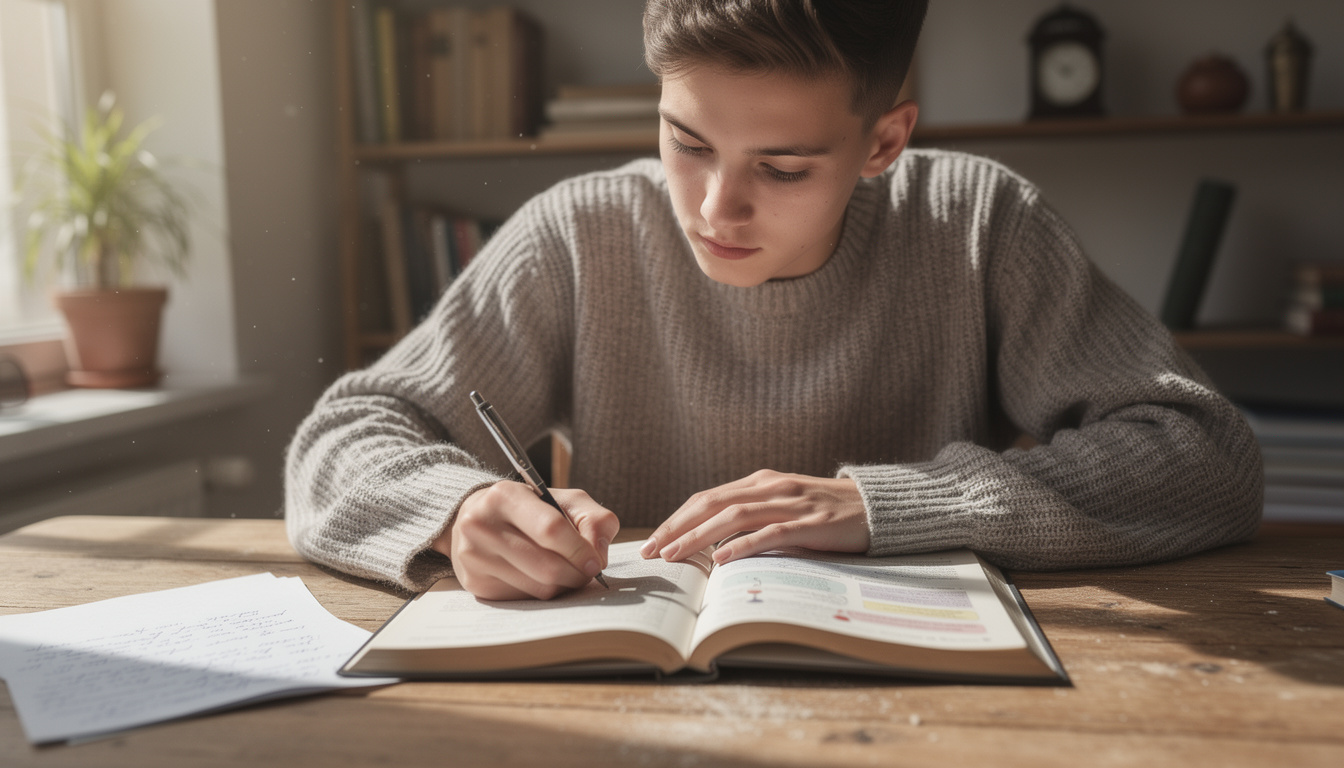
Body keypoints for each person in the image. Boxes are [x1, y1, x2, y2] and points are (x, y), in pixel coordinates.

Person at [284, 0, 1262, 601]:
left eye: (784, 167)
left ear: (884, 143)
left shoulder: (979, 221)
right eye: (687, 141)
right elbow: (346, 432)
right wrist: (457, 512)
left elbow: (1206, 455)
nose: (716, 209)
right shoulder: (578, 233)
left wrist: (891, 505)